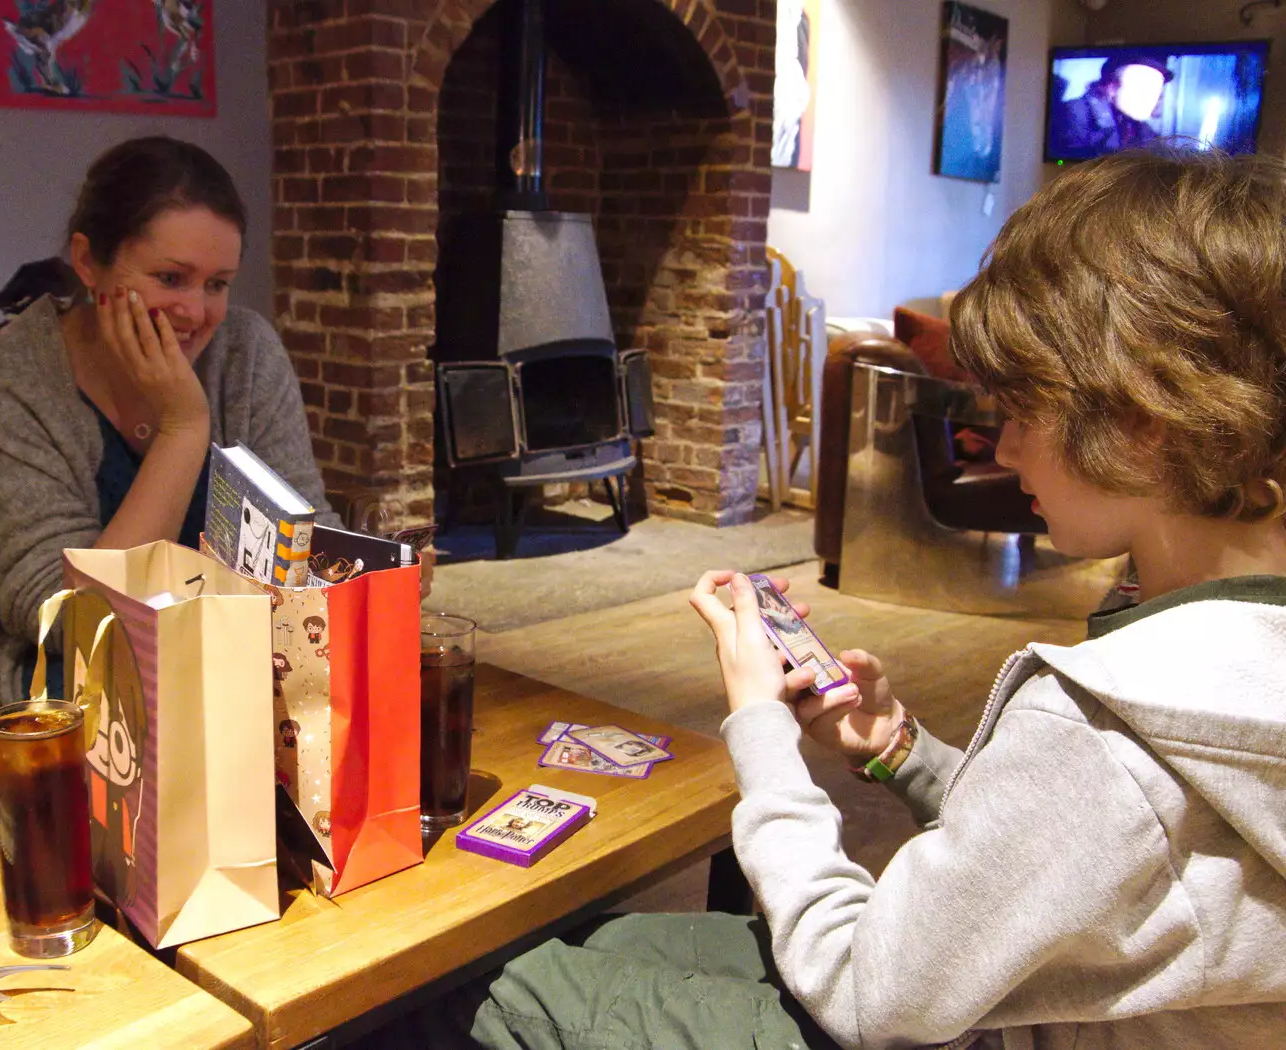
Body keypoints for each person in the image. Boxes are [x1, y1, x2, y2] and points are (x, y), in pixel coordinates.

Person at [399, 149, 1286, 1048]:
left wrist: (758, 725)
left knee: (494, 993)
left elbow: (866, 993)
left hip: (920, 1015)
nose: (1006, 447)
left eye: (1024, 408)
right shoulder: (1235, 662)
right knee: (606, 940)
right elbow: (1095, 861)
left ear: (1145, 419)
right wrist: (901, 750)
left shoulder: (1100, 719)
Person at [0, 137, 343, 711]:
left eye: (217, 284)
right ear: (87, 261)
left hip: (227, 665)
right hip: (57, 694)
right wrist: (182, 429)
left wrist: (369, 574)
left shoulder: (244, 353)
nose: (197, 312)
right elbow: (70, 624)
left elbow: (303, 538)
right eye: (171, 278)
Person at [1053, 52, 1173, 158]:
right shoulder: (1072, 113)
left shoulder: (1139, 126)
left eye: (1157, 89)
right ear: (1111, 87)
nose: (1152, 97)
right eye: (1142, 86)